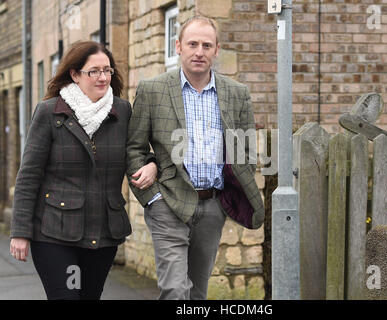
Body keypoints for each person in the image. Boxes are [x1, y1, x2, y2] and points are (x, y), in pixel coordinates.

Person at [126, 16, 264, 300]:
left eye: (206, 45)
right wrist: (153, 198)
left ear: (216, 49)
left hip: (212, 206)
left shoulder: (237, 94)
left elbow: (246, 152)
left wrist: (226, 198)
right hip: (168, 204)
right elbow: (133, 149)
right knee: (175, 290)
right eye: (192, 44)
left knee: (197, 293)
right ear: (178, 46)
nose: (199, 51)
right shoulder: (153, 90)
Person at [9, 41, 132, 300]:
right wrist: (20, 231)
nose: (102, 77)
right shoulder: (50, 112)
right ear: (75, 75)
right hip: (55, 232)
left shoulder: (122, 111)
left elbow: (136, 153)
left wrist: (151, 164)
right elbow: (29, 174)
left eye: (107, 70)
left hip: (104, 233)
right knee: (67, 297)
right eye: (94, 71)